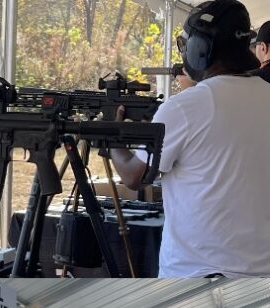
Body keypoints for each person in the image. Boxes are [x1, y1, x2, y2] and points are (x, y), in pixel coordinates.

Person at [110, 0, 270, 278]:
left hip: (195, 277)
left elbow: (135, 176)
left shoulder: (184, 106)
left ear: (200, 49)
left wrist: (113, 138)